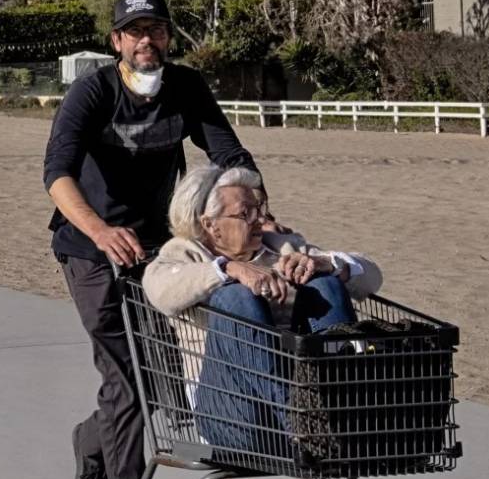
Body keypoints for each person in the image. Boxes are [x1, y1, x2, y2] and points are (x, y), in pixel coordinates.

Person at [43, 0, 254, 479]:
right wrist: (99, 232)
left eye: (155, 29)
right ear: (116, 42)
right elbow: (57, 173)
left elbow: (230, 156)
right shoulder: (93, 91)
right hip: (90, 253)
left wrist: (254, 212)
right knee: (128, 384)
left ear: (167, 37)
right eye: (134, 32)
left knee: (162, 384)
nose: (146, 41)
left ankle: (93, 440)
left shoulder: (186, 86)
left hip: (160, 253)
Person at [143, 164, 381, 456]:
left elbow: (373, 277)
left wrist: (329, 264)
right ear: (210, 224)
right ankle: (302, 421)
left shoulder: (281, 248)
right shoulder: (184, 254)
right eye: (245, 214)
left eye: (259, 210)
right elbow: (158, 289)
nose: (258, 220)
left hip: (306, 398)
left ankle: (335, 410)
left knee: (325, 284)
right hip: (231, 410)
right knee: (235, 297)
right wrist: (228, 269)